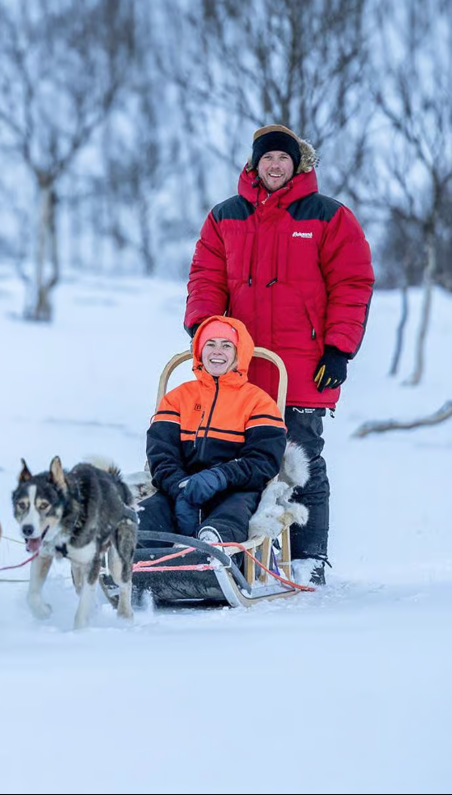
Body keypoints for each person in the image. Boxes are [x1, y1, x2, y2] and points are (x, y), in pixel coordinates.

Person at [184, 124, 374, 585]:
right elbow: (206, 276)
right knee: (238, 463)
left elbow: (353, 284)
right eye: (266, 158)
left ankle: (308, 559)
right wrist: (203, 328)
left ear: (297, 164)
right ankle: (243, 553)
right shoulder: (225, 216)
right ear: (254, 163)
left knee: (301, 458)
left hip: (305, 366)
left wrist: (338, 348)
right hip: (241, 368)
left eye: (283, 159)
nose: (274, 165)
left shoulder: (328, 216)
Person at [139, 315, 286, 551]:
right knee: (148, 516)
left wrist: (219, 477)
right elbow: (160, 453)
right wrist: (179, 488)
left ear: (238, 354)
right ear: (199, 351)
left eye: (226, 345)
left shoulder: (258, 402)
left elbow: (264, 460)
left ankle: (214, 549)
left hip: (235, 490)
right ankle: (136, 560)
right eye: (210, 344)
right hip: (180, 488)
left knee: (233, 513)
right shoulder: (177, 398)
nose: (218, 351)